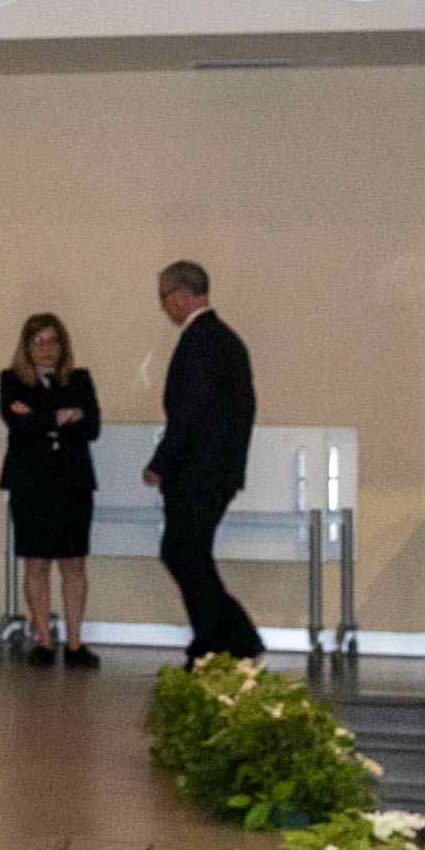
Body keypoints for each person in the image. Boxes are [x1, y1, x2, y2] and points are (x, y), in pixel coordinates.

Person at [143, 262, 258, 663]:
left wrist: (161, 461)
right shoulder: (224, 339)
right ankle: (232, 637)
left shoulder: (200, 341)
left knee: (183, 553)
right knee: (187, 553)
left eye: (164, 297)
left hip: (197, 472)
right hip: (217, 469)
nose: (164, 307)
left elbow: (188, 412)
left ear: (180, 294)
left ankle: (217, 640)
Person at [0, 311, 102, 669]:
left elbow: (92, 427)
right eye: (38, 342)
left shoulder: (80, 379)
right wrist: (61, 416)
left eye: (53, 341)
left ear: (63, 344)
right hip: (31, 484)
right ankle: (42, 639)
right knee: (36, 562)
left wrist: (40, 417)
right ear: (26, 347)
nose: (46, 349)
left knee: (73, 563)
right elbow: (17, 424)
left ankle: (74, 643)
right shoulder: (11, 381)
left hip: (73, 483)